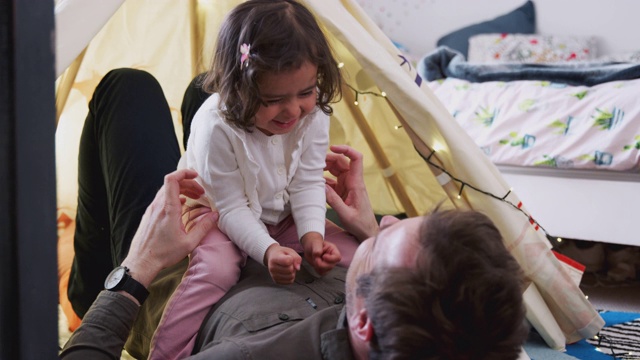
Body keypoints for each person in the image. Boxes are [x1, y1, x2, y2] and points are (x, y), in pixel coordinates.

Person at [148, 1, 362, 358]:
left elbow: (309, 181)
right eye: (273, 99)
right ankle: (167, 354)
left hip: (282, 213)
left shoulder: (314, 115)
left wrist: (311, 237)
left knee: (355, 253)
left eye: (306, 93)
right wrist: (266, 251)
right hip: (215, 213)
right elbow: (230, 206)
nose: (293, 110)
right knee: (215, 270)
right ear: (239, 88)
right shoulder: (217, 126)